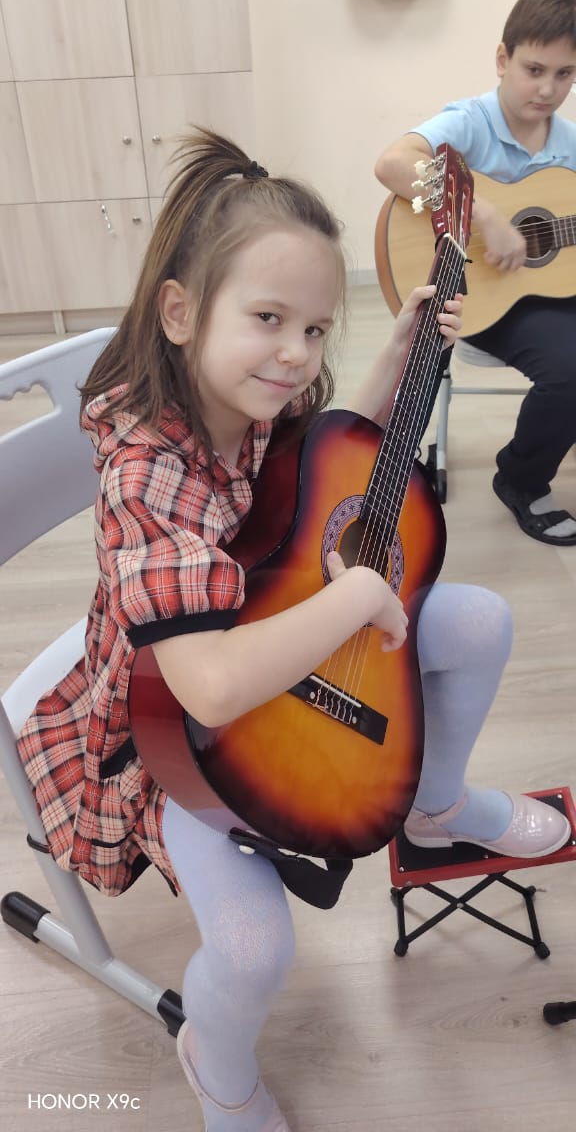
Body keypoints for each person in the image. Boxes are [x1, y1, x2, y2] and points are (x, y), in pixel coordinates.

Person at [16, 129, 570, 1132]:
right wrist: (355, 600)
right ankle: (215, 1061)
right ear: (180, 312)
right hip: (171, 720)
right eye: (269, 318)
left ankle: (435, 804)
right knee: (254, 947)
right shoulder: (147, 471)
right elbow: (212, 687)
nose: (295, 354)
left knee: (481, 620)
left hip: (266, 614)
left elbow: (318, 472)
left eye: (315, 329)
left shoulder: (251, 394)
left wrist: (396, 353)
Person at [375, 0, 576, 545]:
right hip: (471, 295)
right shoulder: (470, 121)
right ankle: (521, 480)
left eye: (565, 74)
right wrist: (482, 214)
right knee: (570, 368)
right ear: (502, 59)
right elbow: (393, 163)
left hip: (542, 293)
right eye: (534, 69)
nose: (548, 88)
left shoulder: (568, 144)